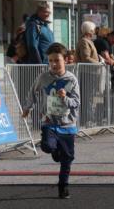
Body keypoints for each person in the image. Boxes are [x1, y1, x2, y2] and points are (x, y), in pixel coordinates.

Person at [21, 42, 80, 199]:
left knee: (67, 159)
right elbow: (33, 92)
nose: (53, 64)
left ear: (65, 60)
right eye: (51, 61)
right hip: (49, 121)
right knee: (47, 146)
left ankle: (63, 186)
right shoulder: (44, 77)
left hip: (68, 124)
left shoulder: (71, 79)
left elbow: (76, 103)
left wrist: (65, 98)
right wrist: (27, 107)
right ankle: (54, 150)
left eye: (57, 60)